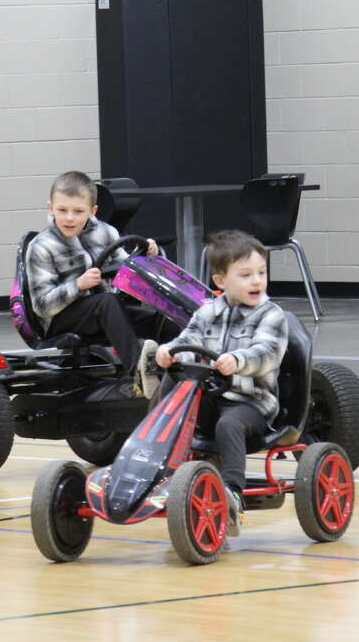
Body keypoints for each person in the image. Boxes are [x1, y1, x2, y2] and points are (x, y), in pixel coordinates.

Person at [154, 230, 288, 536]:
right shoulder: (206, 313)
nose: (257, 281)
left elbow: (266, 352)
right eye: (245, 275)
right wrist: (168, 352)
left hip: (251, 402)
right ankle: (154, 466)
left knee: (229, 425)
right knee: (170, 395)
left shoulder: (271, 315)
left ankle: (232, 495)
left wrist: (238, 360)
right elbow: (187, 340)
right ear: (220, 281)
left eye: (261, 273)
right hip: (210, 396)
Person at [26, 170, 161, 398]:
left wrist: (145, 256)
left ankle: (184, 364)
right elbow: (41, 306)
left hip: (107, 311)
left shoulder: (107, 232)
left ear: (92, 211)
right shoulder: (41, 247)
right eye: (62, 210)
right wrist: (78, 285)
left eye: (78, 211)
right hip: (62, 317)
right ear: (50, 208)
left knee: (158, 319)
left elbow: (126, 274)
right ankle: (138, 372)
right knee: (106, 302)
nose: (69, 218)